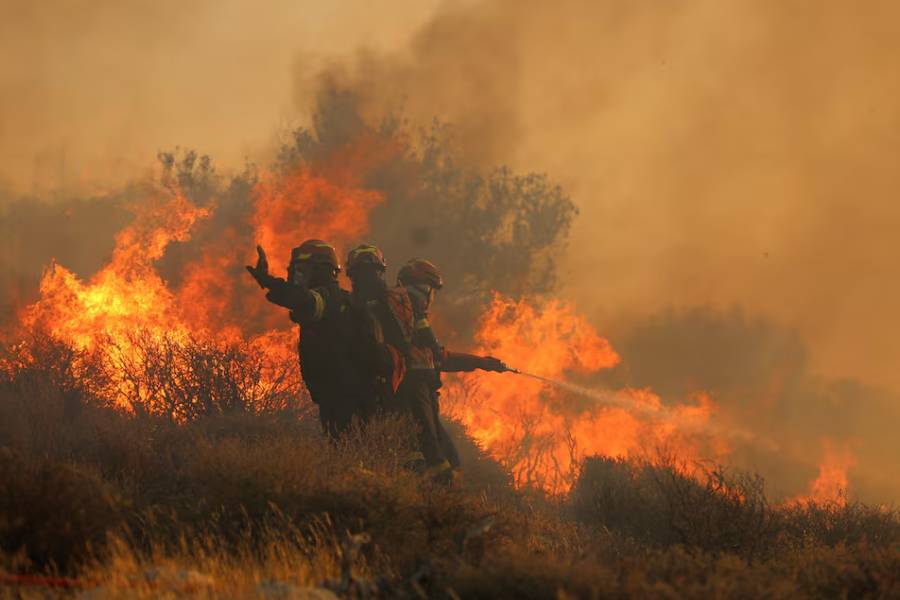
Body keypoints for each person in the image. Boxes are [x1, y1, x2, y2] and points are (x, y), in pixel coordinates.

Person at [246, 239, 385, 438]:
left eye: (303, 271)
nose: (297, 277)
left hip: (346, 395)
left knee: (346, 452)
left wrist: (268, 281)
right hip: (345, 393)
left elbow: (303, 300)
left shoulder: (328, 299)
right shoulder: (340, 299)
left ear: (321, 271)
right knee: (352, 453)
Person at [396, 258, 508, 479]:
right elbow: (436, 356)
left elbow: (441, 358)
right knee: (439, 467)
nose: (431, 299)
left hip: (424, 405)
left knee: (451, 463)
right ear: (423, 290)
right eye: (431, 292)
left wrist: (482, 363)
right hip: (414, 406)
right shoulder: (407, 325)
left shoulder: (411, 326)